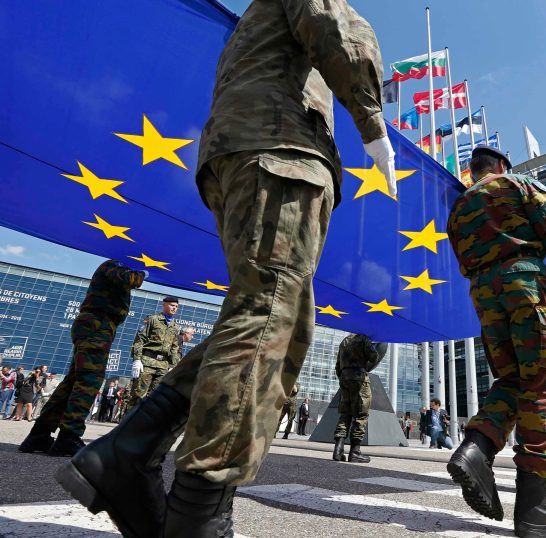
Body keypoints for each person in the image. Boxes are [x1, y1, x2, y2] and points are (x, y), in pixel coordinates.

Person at [55, 2, 396, 536]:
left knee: (264, 314)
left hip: (252, 147)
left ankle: (130, 448)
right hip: (279, 147)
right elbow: (336, 31)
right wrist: (373, 123)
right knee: (268, 315)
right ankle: (199, 508)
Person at [446, 144, 546, 535]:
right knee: (538, 385)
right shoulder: (520, 185)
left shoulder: (461, 206)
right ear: (500, 165)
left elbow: (464, 258)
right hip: (526, 284)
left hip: (484, 293)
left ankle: (476, 447)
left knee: (511, 381)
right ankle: (536, 502)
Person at [19, 260, 144, 456]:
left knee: (73, 381)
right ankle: (69, 436)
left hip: (96, 325)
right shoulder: (113, 265)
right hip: (97, 325)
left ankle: (40, 434)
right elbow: (131, 279)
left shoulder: (114, 266)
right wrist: (145, 271)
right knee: (89, 380)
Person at [332, 334, 387, 463]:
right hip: (359, 378)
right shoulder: (363, 338)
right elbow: (374, 356)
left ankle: (338, 450)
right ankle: (355, 452)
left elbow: (337, 365)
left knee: (345, 414)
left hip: (345, 378)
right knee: (361, 415)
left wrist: (343, 376)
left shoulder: (344, 341)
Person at [126, 296, 181, 413]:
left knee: (154, 400)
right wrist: (137, 359)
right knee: (138, 396)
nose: (174, 308)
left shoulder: (176, 327)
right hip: (147, 362)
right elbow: (139, 340)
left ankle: (144, 429)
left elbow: (175, 348)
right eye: (172, 305)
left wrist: (173, 366)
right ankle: (127, 428)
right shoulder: (152, 319)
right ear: (164, 305)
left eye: (176, 306)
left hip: (163, 366)